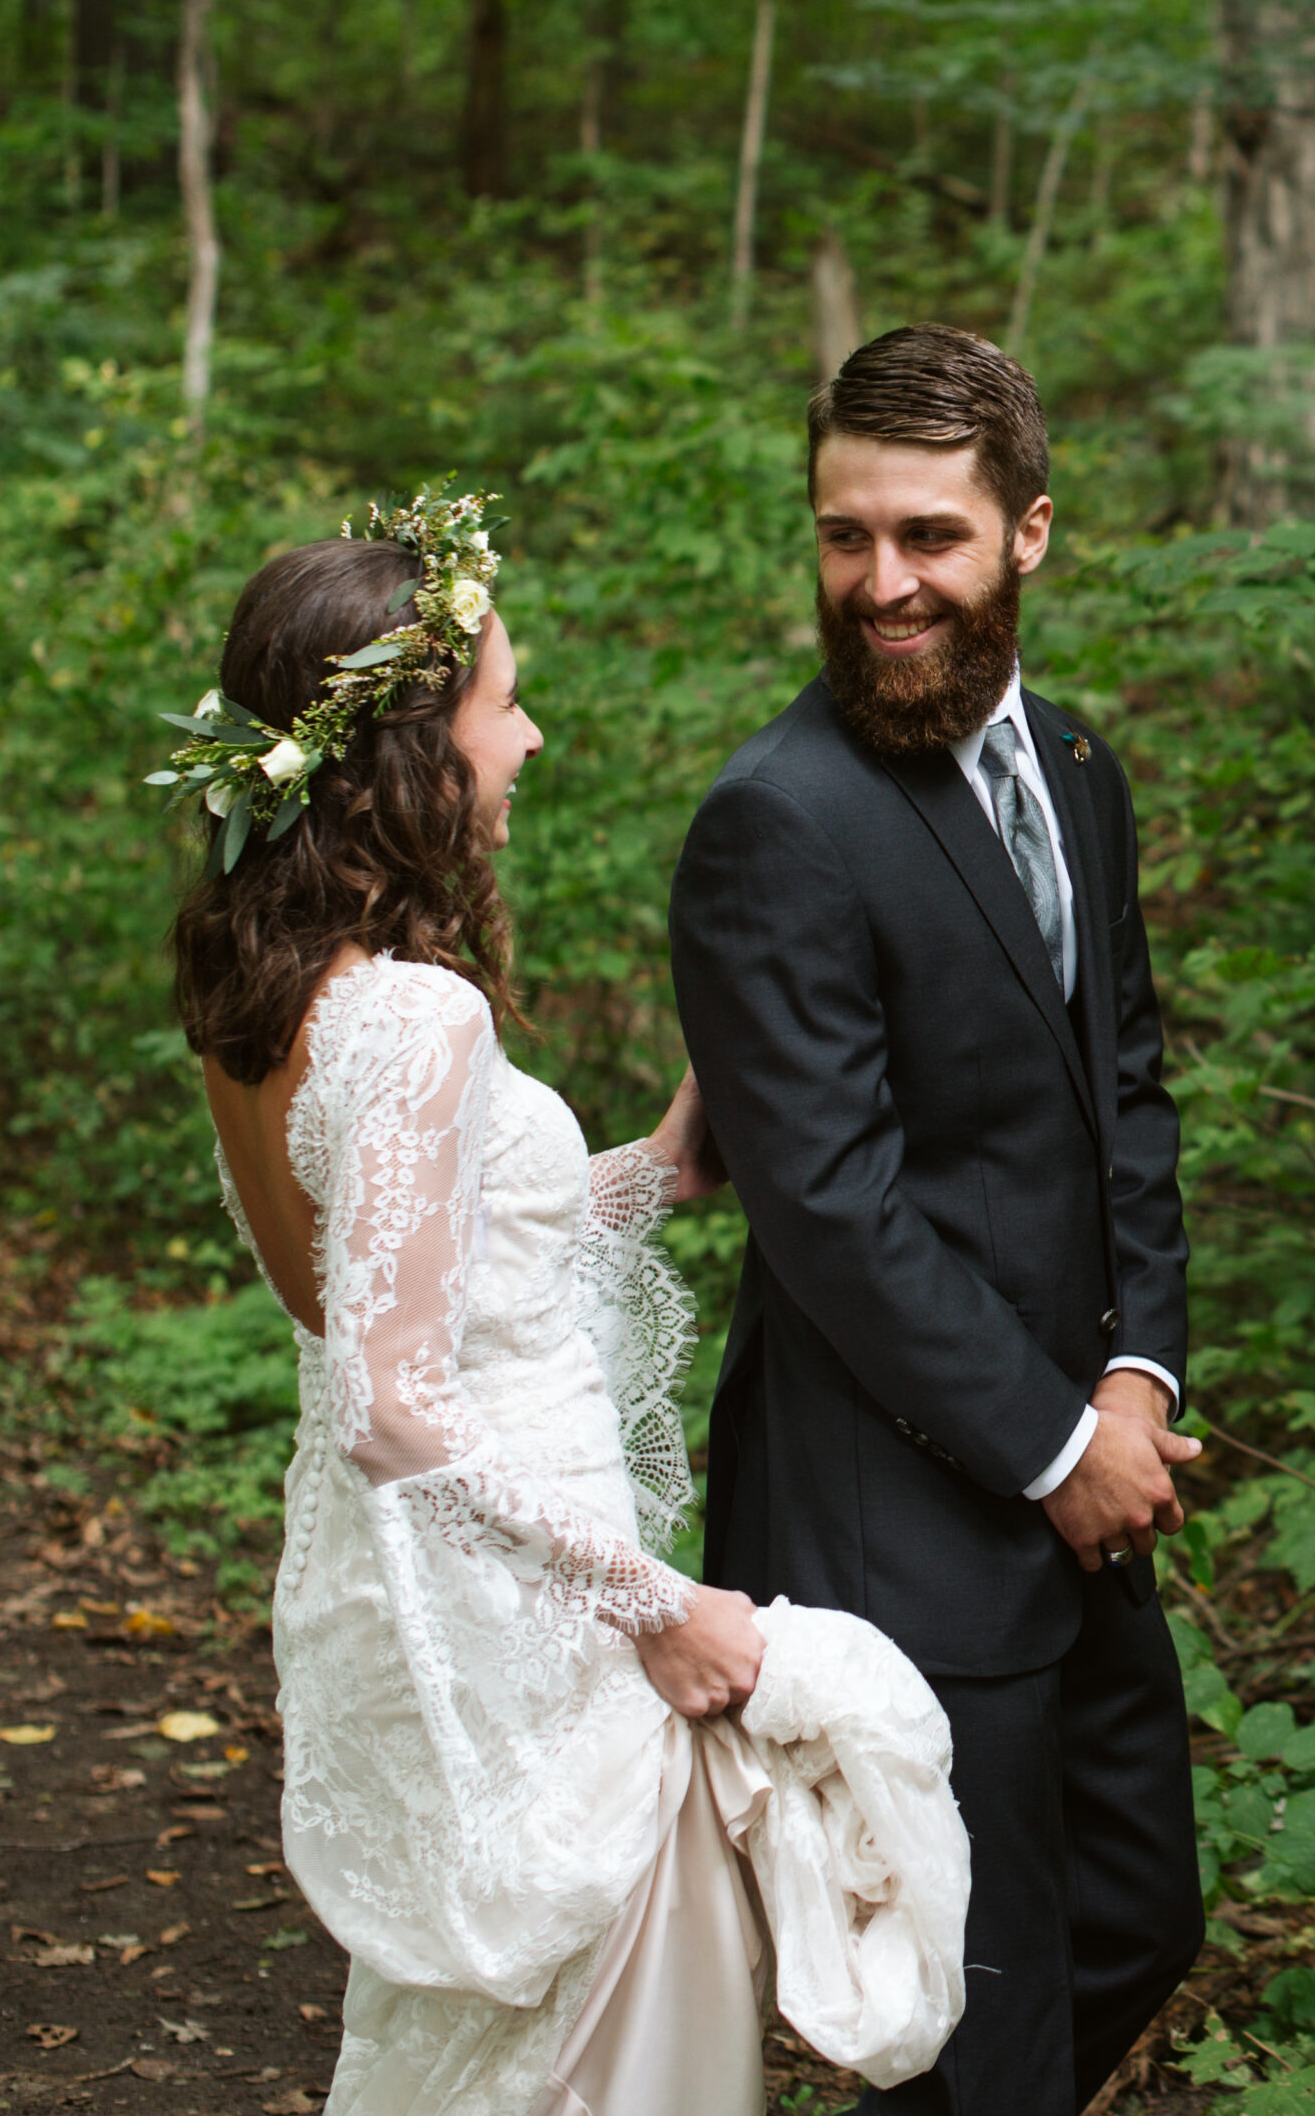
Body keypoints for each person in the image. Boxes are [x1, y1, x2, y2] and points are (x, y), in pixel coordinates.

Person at [154, 481, 969, 2116]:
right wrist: (661, 1608)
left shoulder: (275, 995)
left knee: (485, 2045)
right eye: (505, 704)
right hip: (528, 1605)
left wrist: (678, 1141)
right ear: (408, 756)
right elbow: (393, 1403)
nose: (529, 740)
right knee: (611, 2048)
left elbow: (437, 1257)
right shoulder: (418, 1022)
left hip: (422, 1584)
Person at [669, 327, 1207, 2116]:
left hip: (1078, 1486)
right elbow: (827, 1209)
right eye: (842, 538)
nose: (879, 584)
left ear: (1027, 534)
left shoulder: (1075, 765)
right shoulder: (776, 821)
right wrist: (1058, 1443)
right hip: (897, 1514)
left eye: (927, 538)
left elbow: (1121, 1091)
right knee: (973, 2033)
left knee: (1140, 1911)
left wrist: (1132, 1374)